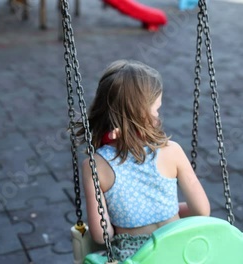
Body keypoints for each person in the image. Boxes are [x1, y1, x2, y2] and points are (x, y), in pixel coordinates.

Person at [76, 60, 210, 262]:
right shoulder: (172, 151)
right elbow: (201, 211)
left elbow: (102, 234)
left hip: (137, 257)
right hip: (179, 249)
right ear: (143, 113)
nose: (158, 115)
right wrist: (169, 211)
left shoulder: (95, 165)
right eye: (156, 109)